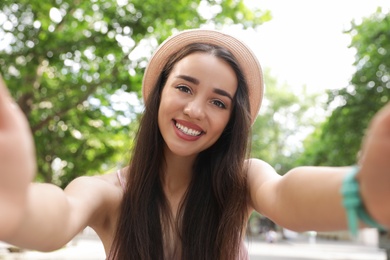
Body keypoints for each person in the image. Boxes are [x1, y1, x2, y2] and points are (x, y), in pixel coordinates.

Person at [0, 29, 389, 260]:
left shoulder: (243, 181)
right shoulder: (108, 193)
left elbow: (287, 195)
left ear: (231, 119)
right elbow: (58, 216)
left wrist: (360, 194)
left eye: (218, 102)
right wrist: (15, 208)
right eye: (184, 87)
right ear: (159, 94)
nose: (195, 110)